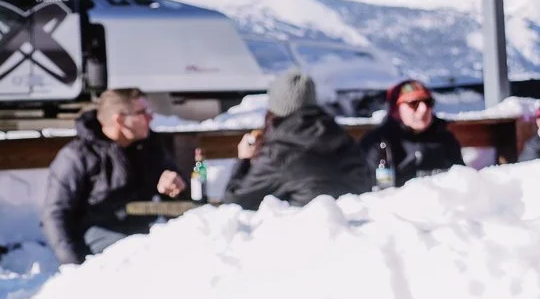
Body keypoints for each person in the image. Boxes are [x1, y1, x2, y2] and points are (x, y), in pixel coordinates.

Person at [40, 86, 187, 265]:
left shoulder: (150, 147)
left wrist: (174, 188)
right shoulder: (77, 155)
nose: (151, 117)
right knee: (138, 254)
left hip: (143, 233)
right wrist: (72, 265)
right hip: (96, 239)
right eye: (142, 112)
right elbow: (55, 213)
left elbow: (178, 204)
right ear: (120, 120)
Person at [219, 68, 377, 208]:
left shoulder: (280, 151)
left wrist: (244, 160)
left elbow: (235, 201)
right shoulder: (341, 136)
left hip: (311, 232)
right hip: (358, 228)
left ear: (275, 108)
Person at [366, 78, 462, 186]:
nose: (423, 109)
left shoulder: (445, 138)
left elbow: (462, 179)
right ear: (395, 109)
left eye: (428, 102)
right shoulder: (377, 142)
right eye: (413, 103)